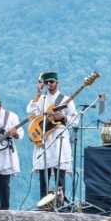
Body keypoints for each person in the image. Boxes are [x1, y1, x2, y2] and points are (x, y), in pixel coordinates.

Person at [27, 71, 76, 200]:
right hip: (45, 137)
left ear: (57, 82)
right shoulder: (42, 99)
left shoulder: (65, 99)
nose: (49, 84)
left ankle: (60, 204)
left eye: (51, 82)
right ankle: (44, 204)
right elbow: (31, 112)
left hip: (60, 137)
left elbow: (75, 119)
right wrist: (38, 93)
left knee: (60, 175)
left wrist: (64, 117)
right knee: (44, 174)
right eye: (46, 82)